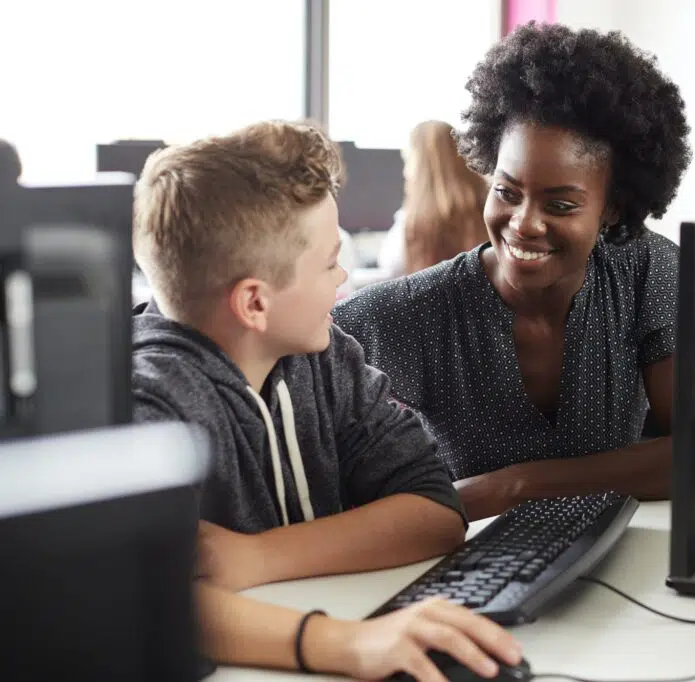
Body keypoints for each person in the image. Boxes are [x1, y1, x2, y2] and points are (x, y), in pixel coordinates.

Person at [132, 120, 521, 678]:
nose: (343, 279)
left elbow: (436, 511)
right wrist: (344, 644)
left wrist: (254, 557)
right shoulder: (150, 403)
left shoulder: (324, 356)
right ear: (254, 304)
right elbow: (142, 599)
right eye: (328, 262)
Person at [334, 22, 692, 521]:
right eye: (506, 192)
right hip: (466, 571)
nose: (523, 224)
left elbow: (694, 453)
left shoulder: (644, 269)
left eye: (561, 205)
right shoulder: (398, 317)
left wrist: (514, 486)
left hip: (610, 554)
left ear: (612, 208)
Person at [377, 120, 489, 276]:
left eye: (408, 161)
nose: (406, 172)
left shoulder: (411, 226)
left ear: (420, 166)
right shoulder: (488, 210)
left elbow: (389, 267)